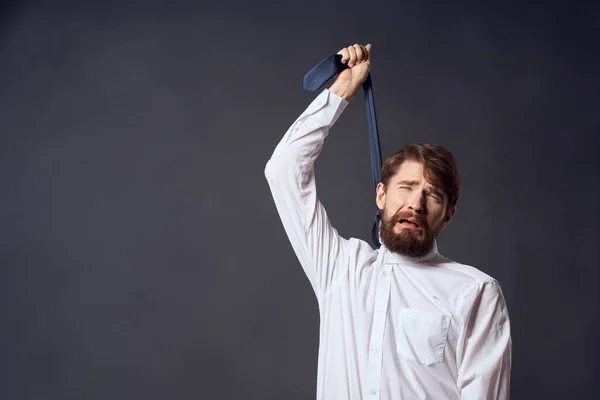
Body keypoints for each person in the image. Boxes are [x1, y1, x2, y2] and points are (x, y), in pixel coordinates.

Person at [264, 43, 512, 400]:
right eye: (407, 187)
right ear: (381, 195)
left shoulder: (475, 292)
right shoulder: (341, 269)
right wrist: (343, 90)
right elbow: (284, 170)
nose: (415, 203)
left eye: (433, 195)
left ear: (449, 215)